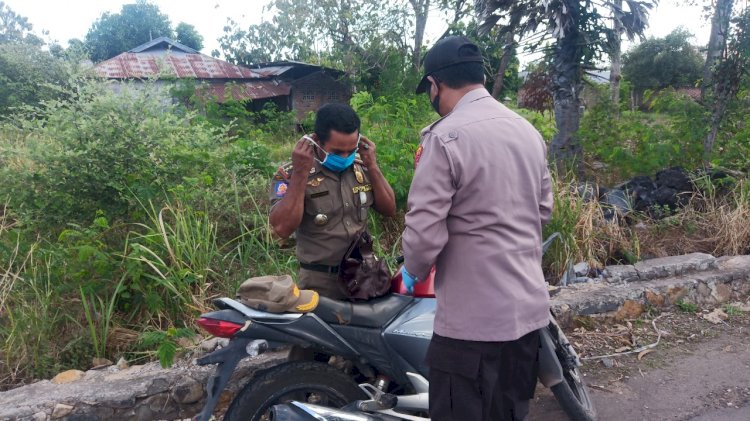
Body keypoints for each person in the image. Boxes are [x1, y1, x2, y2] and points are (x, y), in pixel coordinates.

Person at [401, 36, 554, 421]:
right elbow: (543, 210)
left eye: (429, 90)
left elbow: (424, 235)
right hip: (528, 317)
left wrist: (411, 271)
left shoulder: (445, 137)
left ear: (435, 85)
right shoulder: (527, 132)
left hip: (472, 327)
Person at [270, 103, 397, 300]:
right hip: (320, 284)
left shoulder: (361, 167)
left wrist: (372, 165)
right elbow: (282, 228)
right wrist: (300, 174)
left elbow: (390, 209)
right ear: (317, 142)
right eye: (337, 152)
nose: (346, 157)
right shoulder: (291, 174)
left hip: (364, 277)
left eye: (351, 150)